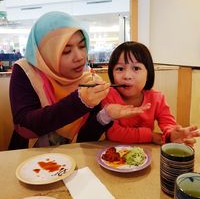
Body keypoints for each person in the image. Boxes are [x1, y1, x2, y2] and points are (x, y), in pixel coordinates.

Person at [9, 12, 149, 149]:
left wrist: (105, 116)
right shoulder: (27, 71)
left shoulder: (90, 80)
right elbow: (24, 125)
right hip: (28, 159)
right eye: (66, 51)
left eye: (82, 46)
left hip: (72, 160)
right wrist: (79, 101)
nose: (80, 57)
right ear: (47, 52)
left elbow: (85, 139)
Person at [101, 41, 200, 146]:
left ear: (148, 73)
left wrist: (172, 135)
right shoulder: (108, 96)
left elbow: (168, 124)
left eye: (136, 68)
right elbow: (113, 133)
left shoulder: (157, 98)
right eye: (120, 69)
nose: (127, 76)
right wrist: (150, 136)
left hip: (147, 152)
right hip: (115, 152)